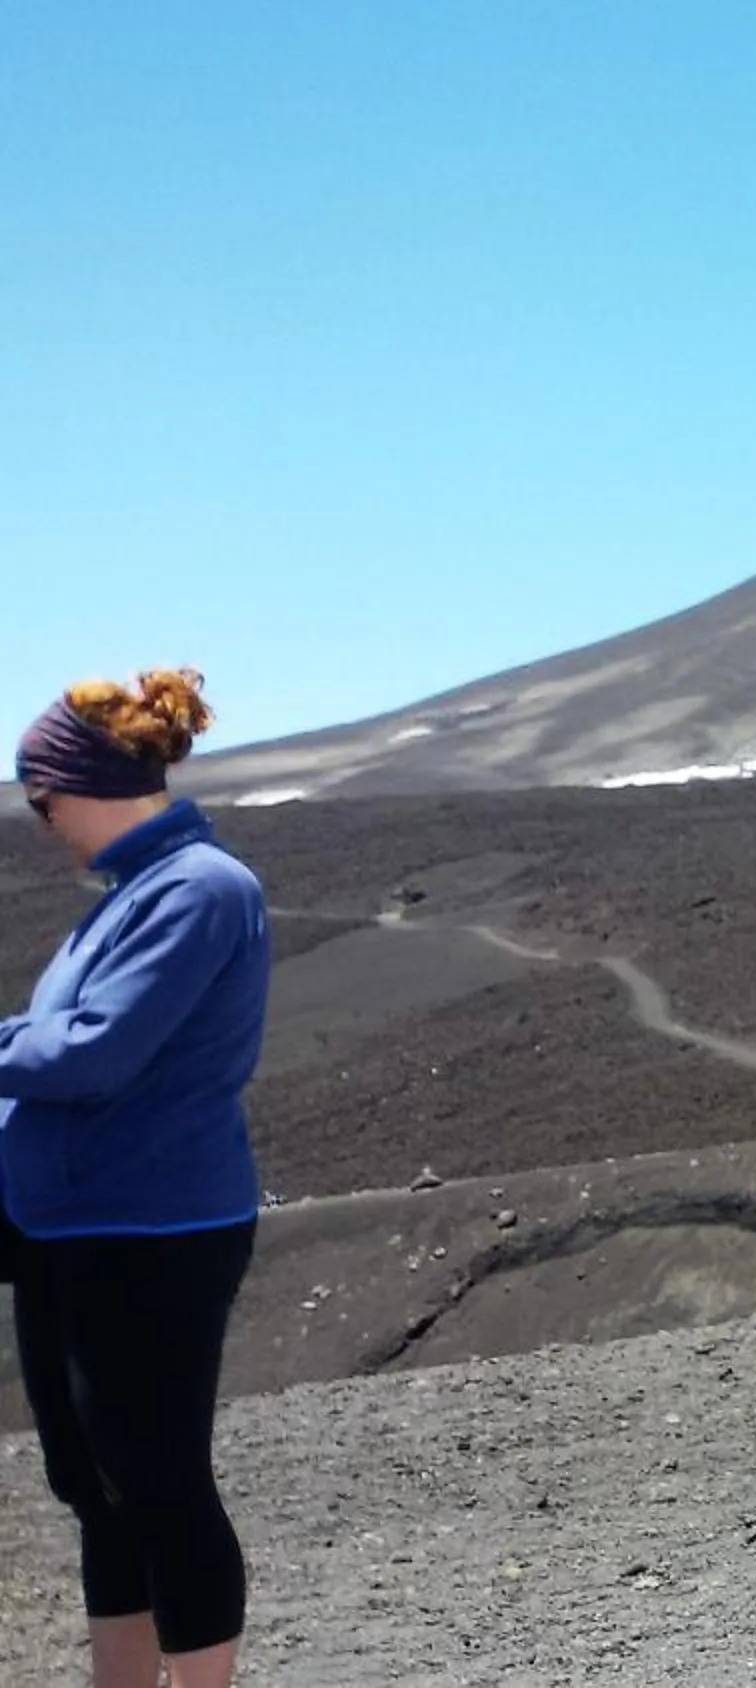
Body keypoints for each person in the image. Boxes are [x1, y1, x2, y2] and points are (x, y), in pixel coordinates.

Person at [5, 669, 266, 1688]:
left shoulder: (200, 889)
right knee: (95, 1481)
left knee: (157, 1481)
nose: (43, 823)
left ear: (81, 783)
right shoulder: (130, 896)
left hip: (152, 1227)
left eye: (41, 799)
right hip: (73, 1224)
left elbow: (93, 1052)